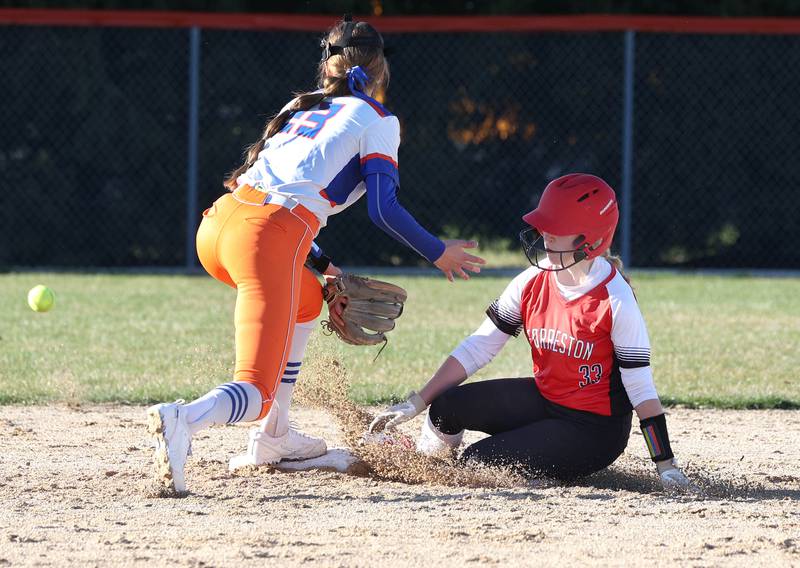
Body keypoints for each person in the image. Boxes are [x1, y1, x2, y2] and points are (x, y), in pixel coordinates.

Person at [147, 16, 484, 494]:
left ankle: (273, 439)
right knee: (255, 391)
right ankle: (184, 419)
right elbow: (383, 211)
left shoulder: (301, 106)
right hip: (267, 237)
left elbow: (283, 202)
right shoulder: (378, 119)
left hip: (220, 227)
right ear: (380, 69)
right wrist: (438, 252)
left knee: (308, 298)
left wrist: (325, 268)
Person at [370, 174, 690, 489]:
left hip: (594, 429)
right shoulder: (533, 280)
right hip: (547, 399)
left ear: (589, 239)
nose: (546, 235)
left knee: (478, 463)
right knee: (445, 408)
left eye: (558, 228)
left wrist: (666, 465)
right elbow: (478, 347)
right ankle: (427, 471)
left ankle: (536, 475)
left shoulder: (614, 299)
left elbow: (640, 388)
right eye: (545, 225)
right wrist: (416, 402)